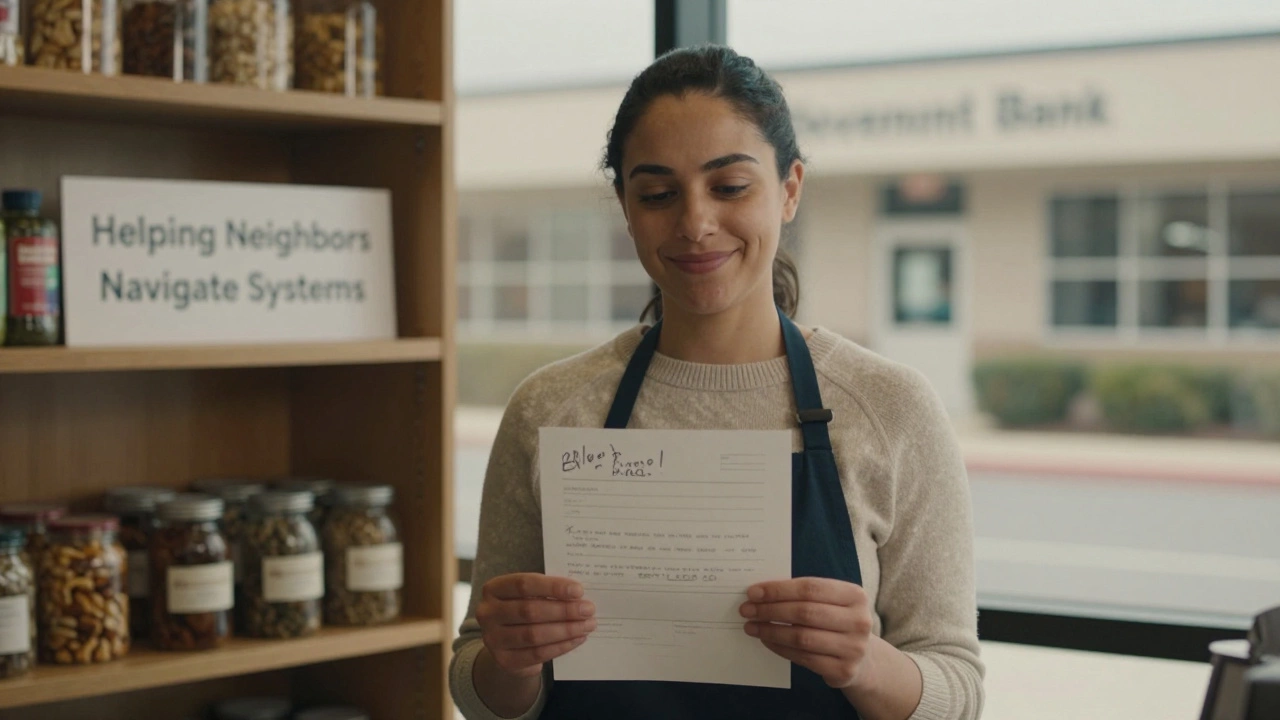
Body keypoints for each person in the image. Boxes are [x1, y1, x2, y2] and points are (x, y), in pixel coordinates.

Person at [450, 45, 983, 720]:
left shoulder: (890, 409)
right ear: (625, 206)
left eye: (729, 187)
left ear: (790, 189)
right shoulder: (549, 409)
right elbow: (476, 687)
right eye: (657, 194)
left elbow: (958, 691)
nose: (695, 223)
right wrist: (509, 658)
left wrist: (867, 662)